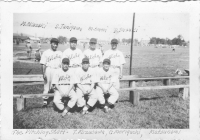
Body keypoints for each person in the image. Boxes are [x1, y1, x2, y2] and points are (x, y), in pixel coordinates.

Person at [40, 38, 62, 107]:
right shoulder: (46, 52)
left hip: (57, 70)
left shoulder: (60, 53)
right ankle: (45, 100)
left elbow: (62, 64)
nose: (55, 45)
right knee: (47, 86)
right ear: (51, 44)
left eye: (56, 44)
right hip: (49, 69)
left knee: (56, 86)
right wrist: (43, 74)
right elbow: (43, 64)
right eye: (53, 44)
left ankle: (56, 99)